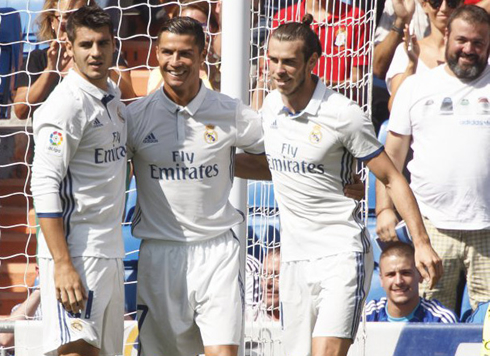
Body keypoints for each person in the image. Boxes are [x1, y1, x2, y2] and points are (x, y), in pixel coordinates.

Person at [255, 15, 442, 356]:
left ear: (312, 62)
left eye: (289, 62)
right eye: (273, 60)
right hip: (294, 259)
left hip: (341, 254)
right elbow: (270, 167)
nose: (279, 70)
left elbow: (391, 176)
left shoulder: (343, 114)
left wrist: (421, 242)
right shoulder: (269, 108)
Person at [125, 17, 266, 356]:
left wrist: (336, 178)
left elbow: (275, 162)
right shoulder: (136, 117)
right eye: (168, 52)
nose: (175, 62)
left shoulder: (230, 112)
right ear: (157, 54)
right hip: (160, 252)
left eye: (185, 53)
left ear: (203, 56)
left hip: (217, 250)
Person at [376, 4, 490, 313]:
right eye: (462, 40)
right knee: (428, 325)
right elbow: (391, 158)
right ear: (447, 36)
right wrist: (384, 209)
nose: (469, 49)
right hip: (432, 229)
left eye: (478, 42)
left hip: (488, 231)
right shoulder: (415, 87)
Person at [31, 5, 127, 356]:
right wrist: (62, 264)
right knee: (77, 352)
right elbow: (43, 184)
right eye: (86, 44)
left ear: (114, 44)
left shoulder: (112, 96)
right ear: (69, 48)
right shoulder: (65, 106)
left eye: (102, 43)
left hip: (110, 250)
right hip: (77, 254)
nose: (95, 53)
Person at [13, 0, 135, 120]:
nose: (72, 24)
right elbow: (20, 111)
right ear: (52, 22)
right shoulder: (38, 58)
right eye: (66, 17)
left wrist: (102, 66)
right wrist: (50, 72)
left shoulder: (107, 54)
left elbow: (130, 103)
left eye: (79, 16)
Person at [385, 0, 463, 110]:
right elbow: (395, 108)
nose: (444, 8)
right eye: (436, 2)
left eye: (451, 2)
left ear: (460, 5)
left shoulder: (470, 52)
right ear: (424, 5)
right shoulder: (406, 50)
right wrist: (412, 64)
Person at [272, 0, 369, 86]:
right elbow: (272, 72)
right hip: (293, 101)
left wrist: (331, 86)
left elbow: (358, 78)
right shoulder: (284, 16)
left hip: (336, 101)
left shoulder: (355, 17)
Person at [365, 242, 458, 322]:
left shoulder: (440, 320)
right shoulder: (366, 317)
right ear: (381, 279)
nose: (398, 281)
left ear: (420, 275)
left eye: (406, 273)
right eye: (391, 274)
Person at [146, 0, 221, 94]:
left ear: (212, 28)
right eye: (183, 26)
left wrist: (212, 69)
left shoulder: (226, 67)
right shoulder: (160, 72)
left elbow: (227, 101)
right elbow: (153, 104)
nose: (191, 33)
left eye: (199, 26)